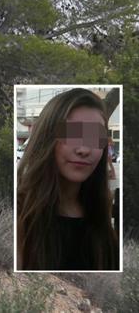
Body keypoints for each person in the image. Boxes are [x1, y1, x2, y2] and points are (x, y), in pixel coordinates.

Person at [17, 88, 119, 271]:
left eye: (95, 137)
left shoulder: (104, 222)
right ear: (47, 138)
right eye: (71, 134)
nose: (83, 149)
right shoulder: (17, 215)